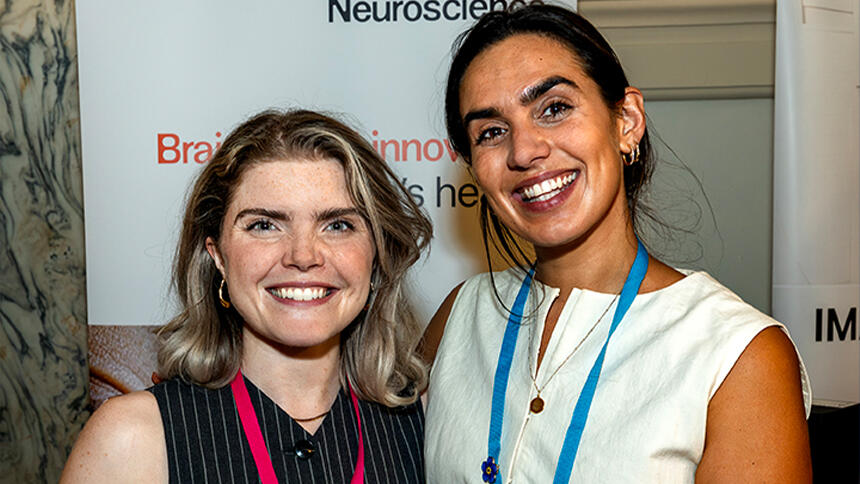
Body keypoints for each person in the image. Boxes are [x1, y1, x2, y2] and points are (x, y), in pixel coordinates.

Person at [422, 4, 812, 483]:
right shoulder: (461, 317)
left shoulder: (736, 354)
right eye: (492, 132)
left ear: (626, 120)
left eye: (555, 109)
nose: (523, 151)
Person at [62, 109, 432, 483]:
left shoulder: (424, 425)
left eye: (338, 225)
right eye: (264, 225)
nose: (303, 255)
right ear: (218, 256)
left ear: (376, 256)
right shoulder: (132, 438)